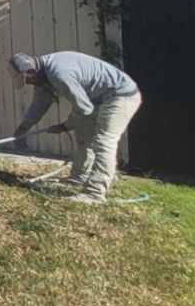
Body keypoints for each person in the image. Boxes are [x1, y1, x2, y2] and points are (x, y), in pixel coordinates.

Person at [10, 51, 142, 204]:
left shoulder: (59, 74)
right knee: (83, 137)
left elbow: (84, 109)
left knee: (104, 141)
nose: (28, 83)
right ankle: (79, 178)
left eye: (27, 80)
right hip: (96, 99)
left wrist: (65, 126)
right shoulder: (42, 76)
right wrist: (23, 129)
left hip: (120, 96)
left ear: (32, 71)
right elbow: (40, 103)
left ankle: (94, 194)